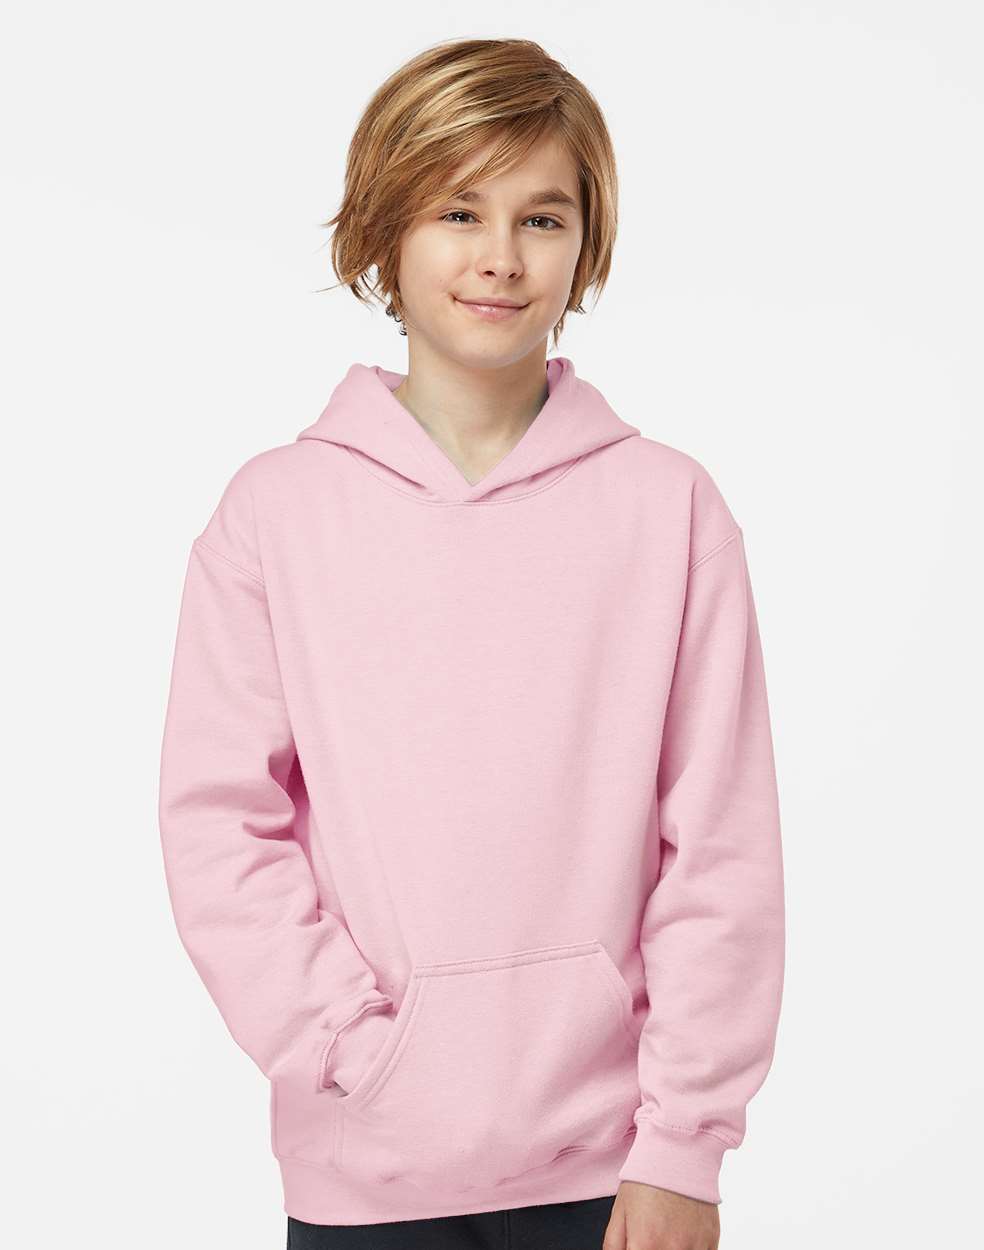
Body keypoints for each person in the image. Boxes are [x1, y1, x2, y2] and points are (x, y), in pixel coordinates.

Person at [158, 36, 785, 1250]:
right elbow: (218, 824)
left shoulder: (667, 509)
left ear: (585, 244)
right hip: (363, 1166)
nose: (501, 255)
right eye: (458, 210)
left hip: (613, 1169)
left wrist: (685, 1143)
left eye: (541, 218)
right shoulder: (277, 513)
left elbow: (722, 848)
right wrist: (353, 1049)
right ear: (384, 229)